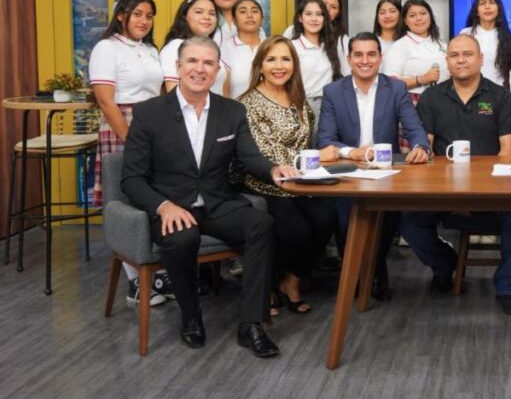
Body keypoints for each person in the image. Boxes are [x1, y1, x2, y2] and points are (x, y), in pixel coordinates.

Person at [121, 36, 301, 357]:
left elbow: (249, 158)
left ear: (217, 70)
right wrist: (163, 206)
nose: (200, 69)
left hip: (217, 204)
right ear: (178, 66)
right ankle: (191, 317)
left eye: (208, 63)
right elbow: (131, 179)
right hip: (171, 207)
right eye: (192, 61)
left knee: (262, 224)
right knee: (182, 238)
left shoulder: (232, 111)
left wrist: (273, 170)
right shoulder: (149, 113)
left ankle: (252, 324)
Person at [410, 34, 511, 315]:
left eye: (467, 54)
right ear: (447, 61)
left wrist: (477, 191)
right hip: (442, 189)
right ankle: (444, 264)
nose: (461, 60)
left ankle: (510, 288)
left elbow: (507, 152)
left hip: (492, 188)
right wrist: (454, 192)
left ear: (481, 59)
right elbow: (426, 149)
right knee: (408, 219)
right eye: (454, 55)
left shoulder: (501, 97)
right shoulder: (431, 97)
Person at [318, 32, 430, 301]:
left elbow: (415, 128)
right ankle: (354, 277)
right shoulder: (333, 91)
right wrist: (352, 152)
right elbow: (325, 139)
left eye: (371, 54)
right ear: (349, 59)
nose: (365, 60)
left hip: (384, 172)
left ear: (380, 58)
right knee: (345, 221)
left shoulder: (396, 89)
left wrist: (420, 147)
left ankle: (377, 272)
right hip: (347, 171)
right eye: (358, 55)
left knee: (385, 221)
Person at [238, 37, 336, 316]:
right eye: (271, 59)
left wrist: (312, 162)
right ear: (260, 66)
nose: (279, 66)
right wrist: (316, 157)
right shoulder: (247, 103)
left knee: (326, 218)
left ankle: (291, 281)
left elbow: (306, 140)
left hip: (300, 182)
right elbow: (263, 151)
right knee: (296, 230)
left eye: (285, 59)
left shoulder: (298, 100)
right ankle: (268, 284)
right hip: (264, 182)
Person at [88, 0, 171, 306]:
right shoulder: (106, 48)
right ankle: (135, 282)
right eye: (137, 14)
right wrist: (131, 139)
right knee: (124, 199)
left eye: (149, 16)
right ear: (121, 15)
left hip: (152, 124)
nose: (144, 21)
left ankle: (156, 273)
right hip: (122, 124)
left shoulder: (150, 49)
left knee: (153, 195)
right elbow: (105, 100)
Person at [160, 0, 227, 95]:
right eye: (199, 12)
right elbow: (173, 96)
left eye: (212, 13)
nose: (207, 17)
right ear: (184, 16)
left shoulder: (213, 48)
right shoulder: (175, 47)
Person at [382, 0, 449, 100]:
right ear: (405, 21)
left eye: (423, 13)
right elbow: (390, 83)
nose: (419, 18)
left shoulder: (442, 44)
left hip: (444, 101)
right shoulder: (399, 46)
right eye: (412, 15)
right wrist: (421, 79)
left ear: (430, 16)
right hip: (412, 103)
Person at [290, 0, 342, 123]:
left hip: (329, 106)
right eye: (308, 14)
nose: (314, 19)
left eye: (319, 14)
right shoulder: (292, 46)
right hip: (301, 106)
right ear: (300, 18)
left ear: (325, 19)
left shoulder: (330, 46)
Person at [284, 0, 351, 76]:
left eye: (333, 7)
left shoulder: (342, 40)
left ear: (338, 12)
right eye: (323, 4)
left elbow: (346, 73)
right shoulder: (292, 33)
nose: (327, 9)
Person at [459, 0, 511, 87]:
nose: (487, 7)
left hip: (499, 90)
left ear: (498, 8)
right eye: (482, 3)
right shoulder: (466, 34)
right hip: (471, 89)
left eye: (492, 2)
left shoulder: (507, 36)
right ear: (476, 11)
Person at [222, 0, 263, 100]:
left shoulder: (271, 47)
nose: (250, 15)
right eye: (243, 12)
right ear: (234, 20)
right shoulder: (224, 49)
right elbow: (223, 90)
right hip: (236, 108)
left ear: (262, 20)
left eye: (254, 11)